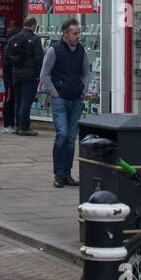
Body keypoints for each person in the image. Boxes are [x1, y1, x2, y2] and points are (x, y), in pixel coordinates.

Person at [40, 19, 91, 188]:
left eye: (79, 33)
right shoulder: (54, 50)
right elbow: (45, 74)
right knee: (62, 134)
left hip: (76, 99)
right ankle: (58, 173)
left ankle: (67, 174)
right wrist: (54, 94)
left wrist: (83, 90)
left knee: (70, 139)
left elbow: (86, 72)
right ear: (65, 34)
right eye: (75, 33)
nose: (78, 36)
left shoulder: (81, 50)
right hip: (60, 99)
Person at [3, 17, 44, 137]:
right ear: (33, 25)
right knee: (26, 100)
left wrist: (15, 66)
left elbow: (7, 56)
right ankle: (24, 127)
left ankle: (17, 126)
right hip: (30, 74)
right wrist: (38, 74)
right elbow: (38, 58)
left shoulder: (14, 38)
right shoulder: (35, 39)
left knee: (18, 100)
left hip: (16, 73)